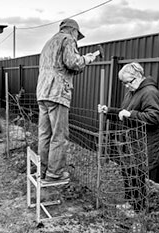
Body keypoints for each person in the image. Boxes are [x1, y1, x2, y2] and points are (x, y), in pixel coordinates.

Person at [98, 62, 159, 211]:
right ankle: (129, 203)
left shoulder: (149, 92)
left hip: (144, 144)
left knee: (136, 176)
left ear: (138, 77)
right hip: (131, 142)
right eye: (124, 83)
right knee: (128, 173)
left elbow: (154, 117)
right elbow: (125, 112)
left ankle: (139, 210)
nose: (126, 86)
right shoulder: (133, 91)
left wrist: (131, 114)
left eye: (128, 82)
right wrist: (109, 111)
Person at [36, 18, 96, 182]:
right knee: (59, 135)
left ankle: (43, 170)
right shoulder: (68, 39)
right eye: (77, 35)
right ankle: (55, 173)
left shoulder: (49, 43)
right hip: (57, 92)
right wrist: (87, 59)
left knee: (44, 134)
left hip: (42, 93)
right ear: (73, 31)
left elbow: (63, 66)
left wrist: (81, 63)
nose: (77, 39)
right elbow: (73, 62)